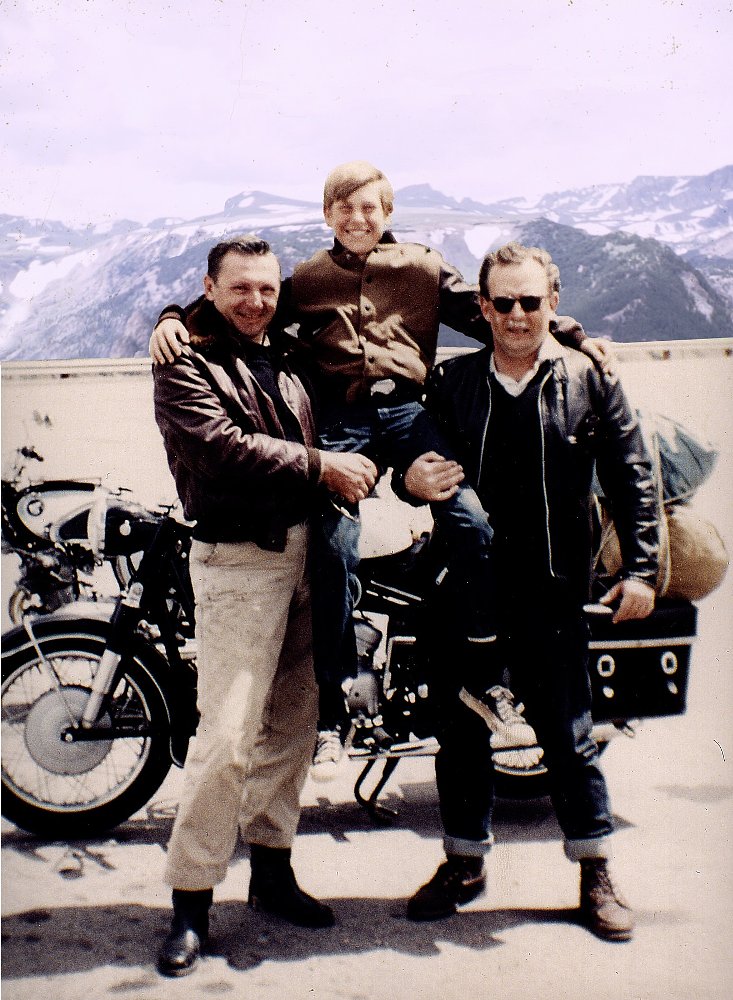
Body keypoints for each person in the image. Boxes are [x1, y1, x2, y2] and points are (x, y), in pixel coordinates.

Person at [150, 161, 610, 779]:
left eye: (370, 207)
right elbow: (243, 304)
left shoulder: (421, 266)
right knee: (334, 548)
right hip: (340, 425)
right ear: (327, 215)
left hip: (409, 417)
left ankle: (484, 668)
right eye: (344, 208)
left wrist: (576, 337)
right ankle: (336, 706)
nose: (357, 219)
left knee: (471, 522)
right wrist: (173, 318)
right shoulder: (307, 278)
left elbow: (496, 312)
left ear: (388, 212)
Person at [400, 241, 658, 942]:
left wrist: (640, 571)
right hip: (467, 584)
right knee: (460, 732)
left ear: (552, 304)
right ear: (481, 308)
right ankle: (463, 863)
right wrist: (406, 481)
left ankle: (594, 872)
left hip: (551, 587)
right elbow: (415, 463)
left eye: (530, 302)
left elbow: (634, 479)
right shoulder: (450, 383)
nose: (517, 316)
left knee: (568, 735)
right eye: (502, 302)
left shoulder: (588, 379)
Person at [151, 235, 378, 977]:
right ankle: (191, 901)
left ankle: (272, 874)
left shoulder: (280, 351)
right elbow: (220, 445)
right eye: (240, 288)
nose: (255, 301)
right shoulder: (183, 363)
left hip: (307, 554)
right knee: (226, 735)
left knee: (294, 723)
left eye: (267, 290)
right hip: (239, 563)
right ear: (210, 290)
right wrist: (322, 465)